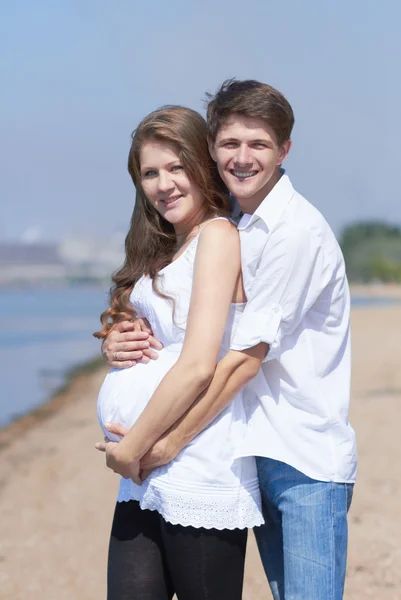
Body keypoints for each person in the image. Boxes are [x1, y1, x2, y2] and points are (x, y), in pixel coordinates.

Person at [100, 79, 357, 600]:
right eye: (230, 144)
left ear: (285, 150)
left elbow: (241, 361)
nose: (242, 158)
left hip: (300, 458)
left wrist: (163, 443)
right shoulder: (237, 221)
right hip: (247, 444)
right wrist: (118, 339)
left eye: (259, 144)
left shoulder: (292, 232)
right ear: (212, 150)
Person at [94, 104, 265, 600]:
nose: (163, 183)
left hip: (197, 462)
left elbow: (196, 365)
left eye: (176, 167)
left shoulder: (216, 234)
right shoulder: (166, 245)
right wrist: (117, 342)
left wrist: (130, 449)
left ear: (201, 164)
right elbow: (159, 336)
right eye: (149, 172)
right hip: (146, 472)